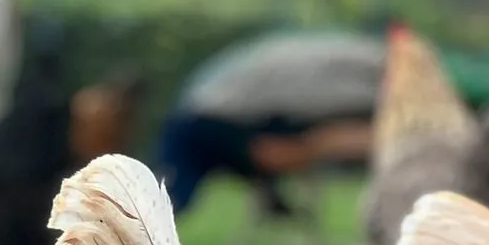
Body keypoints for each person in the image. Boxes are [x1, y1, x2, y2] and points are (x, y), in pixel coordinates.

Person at [154, 28, 386, 216]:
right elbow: (275, 152)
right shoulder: (348, 64)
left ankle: (273, 197)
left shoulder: (319, 56)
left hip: (212, 114)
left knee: (169, 193)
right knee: (169, 196)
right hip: (207, 119)